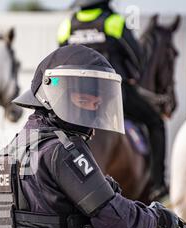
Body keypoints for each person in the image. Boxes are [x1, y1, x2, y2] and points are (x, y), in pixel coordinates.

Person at [0, 45, 186, 228]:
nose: (95, 105)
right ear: (53, 94)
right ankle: (159, 181)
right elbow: (118, 223)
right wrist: (158, 220)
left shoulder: (13, 148)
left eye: (98, 98)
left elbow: (62, 221)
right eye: (83, 98)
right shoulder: (64, 150)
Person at [57, 0, 168, 199]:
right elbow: (137, 57)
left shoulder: (67, 25)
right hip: (112, 95)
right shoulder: (113, 21)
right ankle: (158, 185)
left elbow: (59, 61)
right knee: (155, 122)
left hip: (74, 99)